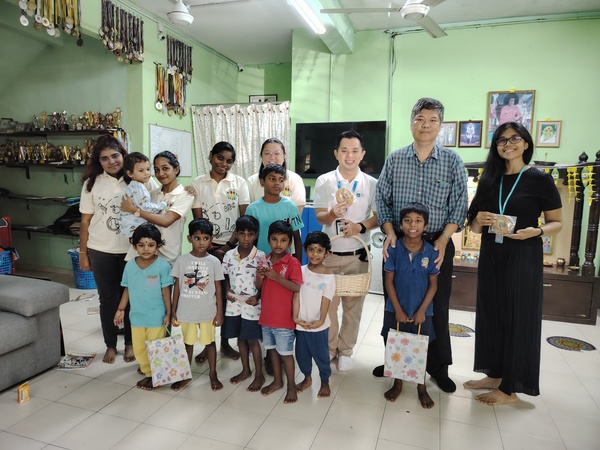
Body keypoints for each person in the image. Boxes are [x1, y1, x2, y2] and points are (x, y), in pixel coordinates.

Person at [463, 122, 562, 406]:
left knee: (518, 317)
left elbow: (557, 222)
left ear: (526, 143)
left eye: (514, 138)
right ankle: (493, 374)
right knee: (491, 313)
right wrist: (478, 221)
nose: (508, 144)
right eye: (501, 140)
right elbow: (474, 224)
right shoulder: (488, 178)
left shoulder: (539, 178)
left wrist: (538, 231)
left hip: (523, 254)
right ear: (496, 146)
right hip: (492, 253)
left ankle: (510, 388)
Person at [375, 97, 468, 393]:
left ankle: (438, 367)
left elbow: (460, 207)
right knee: (395, 305)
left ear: (440, 126)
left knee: (435, 307)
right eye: (420, 119)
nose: (425, 125)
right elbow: (382, 199)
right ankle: (396, 361)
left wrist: (442, 239)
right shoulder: (396, 158)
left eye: (432, 120)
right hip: (398, 243)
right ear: (411, 122)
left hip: (437, 243)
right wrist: (390, 232)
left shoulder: (452, 161)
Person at [79, 135, 156, 364]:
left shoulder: (138, 178)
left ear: (123, 155)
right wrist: (83, 254)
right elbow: (85, 221)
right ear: (98, 161)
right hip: (100, 250)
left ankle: (130, 343)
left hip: (131, 251)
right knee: (108, 299)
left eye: (115, 155)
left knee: (132, 298)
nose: (111, 161)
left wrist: (186, 191)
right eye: (105, 158)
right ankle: (110, 344)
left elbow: (160, 201)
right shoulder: (92, 183)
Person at [313, 130, 378, 371]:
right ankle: (330, 348)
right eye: (344, 150)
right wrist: (331, 214)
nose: (349, 156)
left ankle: (346, 350)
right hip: (328, 257)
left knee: (353, 307)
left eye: (354, 151)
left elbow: (379, 217)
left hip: (357, 256)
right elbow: (319, 213)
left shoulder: (371, 184)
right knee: (328, 307)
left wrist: (360, 226)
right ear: (336, 153)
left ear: (362, 154)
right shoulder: (325, 181)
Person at [191, 141, 251, 362]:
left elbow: (243, 219)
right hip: (205, 248)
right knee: (207, 298)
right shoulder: (198, 183)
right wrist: (207, 247)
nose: (224, 164)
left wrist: (228, 247)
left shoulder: (239, 182)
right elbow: (198, 221)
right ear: (210, 156)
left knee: (227, 297)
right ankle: (207, 346)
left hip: (232, 248)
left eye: (229, 161)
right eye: (220, 158)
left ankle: (225, 343)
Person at [381, 202, 439, 408]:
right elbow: (388, 281)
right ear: (401, 224)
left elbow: (433, 285)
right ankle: (397, 384)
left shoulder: (431, 252)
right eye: (407, 220)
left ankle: (421, 387)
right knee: (395, 345)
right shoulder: (394, 250)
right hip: (395, 309)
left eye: (418, 221)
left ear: (426, 226)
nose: (412, 225)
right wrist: (397, 309)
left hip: (422, 312)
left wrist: (422, 310)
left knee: (420, 348)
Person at [113, 224, 173, 390]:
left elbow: (166, 291)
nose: (146, 249)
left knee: (155, 348)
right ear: (134, 246)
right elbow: (127, 289)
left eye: (151, 245)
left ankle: (154, 376)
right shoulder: (130, 266)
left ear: (158, 246)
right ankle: (148, 372)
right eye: (141, 245)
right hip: (137, 316)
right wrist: (120, 309)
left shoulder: (163, 266)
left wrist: (169, 312)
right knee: (139, 349)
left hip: (157, 316)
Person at [170, 218, 225, 392]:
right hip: (186, 312)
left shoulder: (214, 262)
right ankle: (185, 375)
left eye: (206, 238)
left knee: (209, 343)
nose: (201, 243)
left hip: (207, 312)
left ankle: (213, 374)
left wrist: (219, 313)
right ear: (189, 238)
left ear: (211, 238)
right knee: (188, 343)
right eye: (197, 238)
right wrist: (173, 312)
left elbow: (218, 288)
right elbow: (177, 288)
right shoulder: (181, 260)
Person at [256, 220, 303, 404]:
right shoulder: (265, 260)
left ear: (290, 242)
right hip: (266, 317)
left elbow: (296, 287)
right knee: (272, 351)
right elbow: (258, 286)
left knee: (285, 353)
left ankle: (291, 386)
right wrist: (260, 277)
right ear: (268, 240)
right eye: (274, 239)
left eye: (283, 240)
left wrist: (275, 277)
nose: (278, 244)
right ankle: (277, 381)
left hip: (283, 318)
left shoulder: (292, 262)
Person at [121, 151, 194, 265]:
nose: (161, 173)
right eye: (156, 169)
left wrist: (134, 210)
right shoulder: (153, 193)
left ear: (176, 169)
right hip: (142, 255)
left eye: (165, 168)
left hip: (167, 256)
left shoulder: (185, 195)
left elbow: (166, 221)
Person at [222, 215, 267, 392]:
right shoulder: (228, 255)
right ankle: (246, 370)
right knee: (240, 338)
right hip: (234, 304)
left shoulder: (260, 257)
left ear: (256, 235)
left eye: (250, 234)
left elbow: (264, 282)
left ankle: (259, 375)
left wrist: (258, 295)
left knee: (252, 339)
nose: (246, 238)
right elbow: (225, 276)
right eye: (242, 234)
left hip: (252, 305)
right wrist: (227, 291)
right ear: (236, 234)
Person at [293, 231, 336, 398]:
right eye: (311, 249)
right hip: (301, 323)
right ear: (305, 250)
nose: (314, 254)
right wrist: (296, 317)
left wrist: (320, 320)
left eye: (319, 250)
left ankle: (324, 380)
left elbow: (326, 300)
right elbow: (296, 295)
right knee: (302, 355)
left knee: (321, 355)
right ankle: (307, 378)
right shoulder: (300, 270)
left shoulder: (329, 276)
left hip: (319, 325)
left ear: (327, 253)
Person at [245, 164, 304, 261]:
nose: (277, 183)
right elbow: (248, 239)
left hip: (284, 262)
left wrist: (298, 265)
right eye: (272, 179)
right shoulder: (252, 209)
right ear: (262, 182)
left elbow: (297, 238)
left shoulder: (291, 207)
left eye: (281, 180)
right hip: (259, 261)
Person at [247, 138, 306, 214]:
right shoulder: (251, 181)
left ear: (284, 156)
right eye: (267, 153)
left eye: (277, 153)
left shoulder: (295, 180)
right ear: (261, 156)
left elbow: (297, 213)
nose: (272, 157)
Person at [120, 152, 167, 237]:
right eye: (141, 170)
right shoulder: (139, 187)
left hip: (130, 225)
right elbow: (144, 206)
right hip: (136, 226)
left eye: (148, 169)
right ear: (130, 173)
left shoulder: (133, 185)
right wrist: (160, 206)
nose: (146, 173)